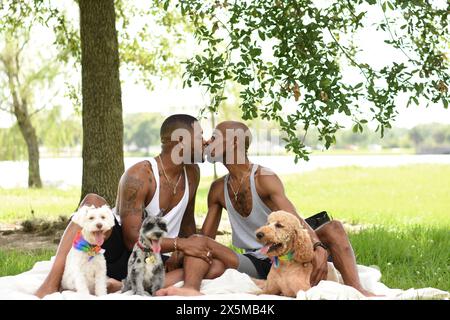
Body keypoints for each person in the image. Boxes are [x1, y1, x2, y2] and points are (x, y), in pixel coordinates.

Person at [156, 120, 376, 297]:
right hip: (255, 260)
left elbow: (294, 218)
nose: (207, 143)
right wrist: (181, 250)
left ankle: (358, 290)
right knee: (199, 246)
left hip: (288, 251)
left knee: (334, 227)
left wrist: (317, 246)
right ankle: (142, 286)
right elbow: (206, 239)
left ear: (233, 142)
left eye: (214, 138)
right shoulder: (217, 189)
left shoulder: (263, 179)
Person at [35, 114, 224, 298]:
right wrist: (180, 244)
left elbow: (187, 221)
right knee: (93, 201)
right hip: (117, 253)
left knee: (214, 266)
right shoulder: (141, 175)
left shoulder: (192, 172)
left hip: (154, 258)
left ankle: (125, 286)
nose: (206, 142)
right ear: (181, 140)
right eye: (200, 136)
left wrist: (182, 252)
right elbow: (131, 238)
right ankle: (51, 282)